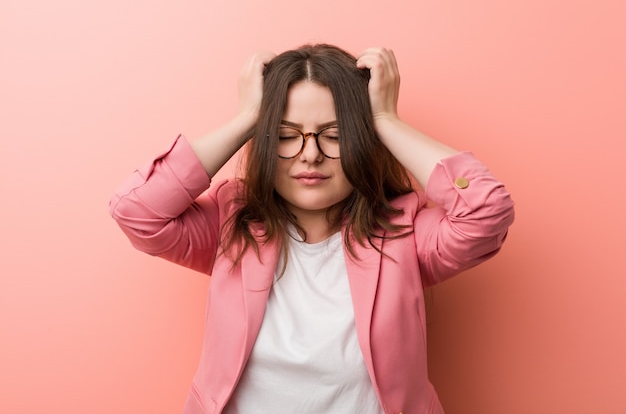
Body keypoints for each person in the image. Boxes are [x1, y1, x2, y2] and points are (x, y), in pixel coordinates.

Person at [109, 44, 514, 414]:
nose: (310, 155)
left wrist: (385, 120)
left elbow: (487, 213)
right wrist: (248, 118)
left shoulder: (402, 231)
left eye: (335, 135)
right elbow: (136, 211)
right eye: (286, 135)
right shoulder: (229, 222)